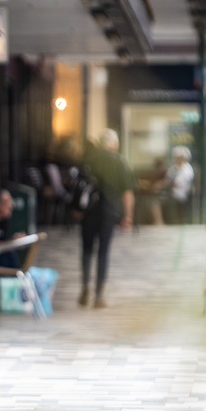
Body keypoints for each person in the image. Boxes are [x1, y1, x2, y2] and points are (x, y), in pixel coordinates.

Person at [77, 129, 135, 309]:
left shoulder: (88, 160)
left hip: (88, 212)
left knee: (87, 250)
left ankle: (85, 285)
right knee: (103, 251)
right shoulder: (120, 162)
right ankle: (99, 295)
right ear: (115, 145)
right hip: (108, 212)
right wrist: (127, 216)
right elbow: (127, 192)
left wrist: (76, 209)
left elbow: (78, 186)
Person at [163, 146, 195, 225]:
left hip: (183, 197)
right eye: (177, 157)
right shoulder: (173, 168)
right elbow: (167, 180)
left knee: (181, 215)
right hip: (171, 196)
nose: (178, 160)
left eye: (180, 158)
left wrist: (170, 184)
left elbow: (177, 183)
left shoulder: (188, 169)